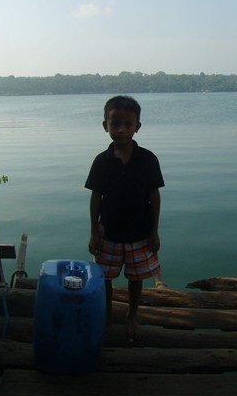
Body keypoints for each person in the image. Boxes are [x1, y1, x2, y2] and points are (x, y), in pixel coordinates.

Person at [85, 95, 165, 341]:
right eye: (114, 123)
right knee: (106, 278)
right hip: (108, 232)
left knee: (136, 277)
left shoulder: (148, 159)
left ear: (137, 126)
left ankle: (132, 314)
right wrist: (92, 232)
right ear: (105, 126)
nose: (121, 129)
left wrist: (154, 231)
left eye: (128, 124)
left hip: (140, 233)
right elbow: (96, 199)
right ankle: (107, 311)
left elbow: (155, 197)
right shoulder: (102, 161)